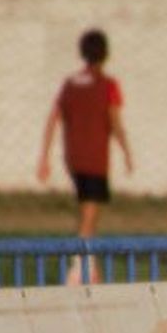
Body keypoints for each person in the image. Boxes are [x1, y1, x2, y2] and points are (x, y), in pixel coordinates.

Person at [37, 28, 133, 282]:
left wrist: (45, 157)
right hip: (95, 159)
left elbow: (53, 119)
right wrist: (126, 152)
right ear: (105, 54)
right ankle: (76, 269)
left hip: (74, 158)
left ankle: (92, 271)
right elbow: (114, 122)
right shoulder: (107, 86)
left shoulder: (70, 84)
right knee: (89, 218)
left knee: (86, 214)